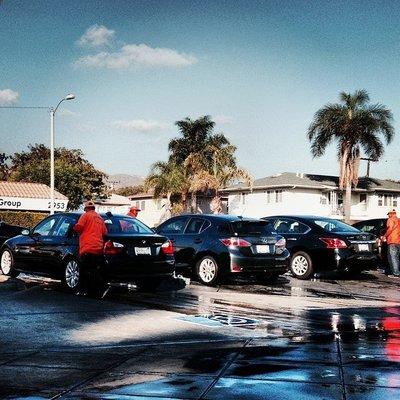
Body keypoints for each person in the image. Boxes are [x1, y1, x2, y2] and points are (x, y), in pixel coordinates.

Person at [73, 200, 108, 292]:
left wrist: (74, 227)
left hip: (87, 247)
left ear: (86, 209)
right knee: (94, 269)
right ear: (94, 208)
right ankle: (95, 289)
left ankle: (99, 287)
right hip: (98, 247)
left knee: (87, 270)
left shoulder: (85, 215)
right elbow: (105, 232)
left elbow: (79, 227)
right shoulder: (100, 218)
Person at [383, 209, 400, 278]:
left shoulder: (390, 220)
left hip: (392, 240)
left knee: (392, 257)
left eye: (388, 214)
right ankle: (397, 271)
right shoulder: (398, 220)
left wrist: (384, 236)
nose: (388, 216)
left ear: (391, 213)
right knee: (396, 257)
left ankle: (395, 273)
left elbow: (390, 229)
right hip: (398, 241)